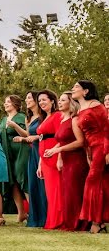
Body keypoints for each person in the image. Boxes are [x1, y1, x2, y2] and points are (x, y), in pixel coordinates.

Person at [43, 92, 87, 231]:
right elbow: (62, 140)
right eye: (60, 100)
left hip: (76, 160)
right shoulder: (62, 120)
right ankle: (69, 222)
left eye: (63, 100)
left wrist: (58, 150)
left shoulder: (74, 120)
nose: (60, 102)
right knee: (68, 193)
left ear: (71, 103)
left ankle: (80, 224)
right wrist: (56, 153)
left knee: (75, 193)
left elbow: (80, 142)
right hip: (66, 160)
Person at [72, 80, 109, 234]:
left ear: (86, 91)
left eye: (76, 87)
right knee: (101, 183)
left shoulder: (96, 105)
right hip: (92, 149)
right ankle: (98, 222)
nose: (73, 89)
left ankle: (96, 222)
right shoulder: (80, 110)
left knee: (92, 182)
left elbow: (107, 129)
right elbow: (85, 137)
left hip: (102, 146)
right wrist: (88, 154)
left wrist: (107, 151)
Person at [14, 91, 47, 227]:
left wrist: (35, 138)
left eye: (29, 97)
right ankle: (36, 216)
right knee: (33, 183)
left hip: (43, 150)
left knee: (43, 184)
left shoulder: (43, 116)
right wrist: (21, 136)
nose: (27, 100)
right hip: (32, 151)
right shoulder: (29, 118)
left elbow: (46, 133)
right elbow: (28, 135)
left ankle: (46, 216)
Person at [31, 91, 62, 229]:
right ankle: (52, 220)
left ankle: (59, 220)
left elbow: (63, 138)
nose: (41, 103)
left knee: (56, 189)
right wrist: (40, 164)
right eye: (40, 101)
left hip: (54, 154)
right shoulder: (43, 118)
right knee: (49, 191)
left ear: (52, 101)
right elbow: (41, 141)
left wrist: (56, 151)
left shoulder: (57, 116)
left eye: (44, 100)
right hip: (44, 156)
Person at [0, 95, 29, 222]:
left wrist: (15, 125)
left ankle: (33, 211)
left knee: (23, 180)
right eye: (5, 102)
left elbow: (27, 135)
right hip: (7, 154)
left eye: (8, 102)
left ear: (15, 104)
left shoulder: (22, 117)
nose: (5, 104)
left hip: (20, 153)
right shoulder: (3, 119)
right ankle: (21, 213)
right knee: (13, 183)